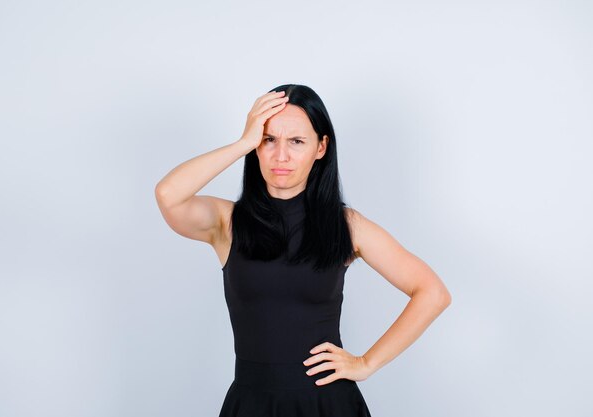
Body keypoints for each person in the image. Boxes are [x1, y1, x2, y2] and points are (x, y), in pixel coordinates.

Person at [154, 84, 452, 416]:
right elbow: (168, 194)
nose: (281, 156)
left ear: (321, 147)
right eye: (269, 140)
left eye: (296, 141)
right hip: (251, 405)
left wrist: (367, 362)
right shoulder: (227, 222)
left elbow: (432, 292)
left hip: (328, 404)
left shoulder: (345, 224)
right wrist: (242, 143)